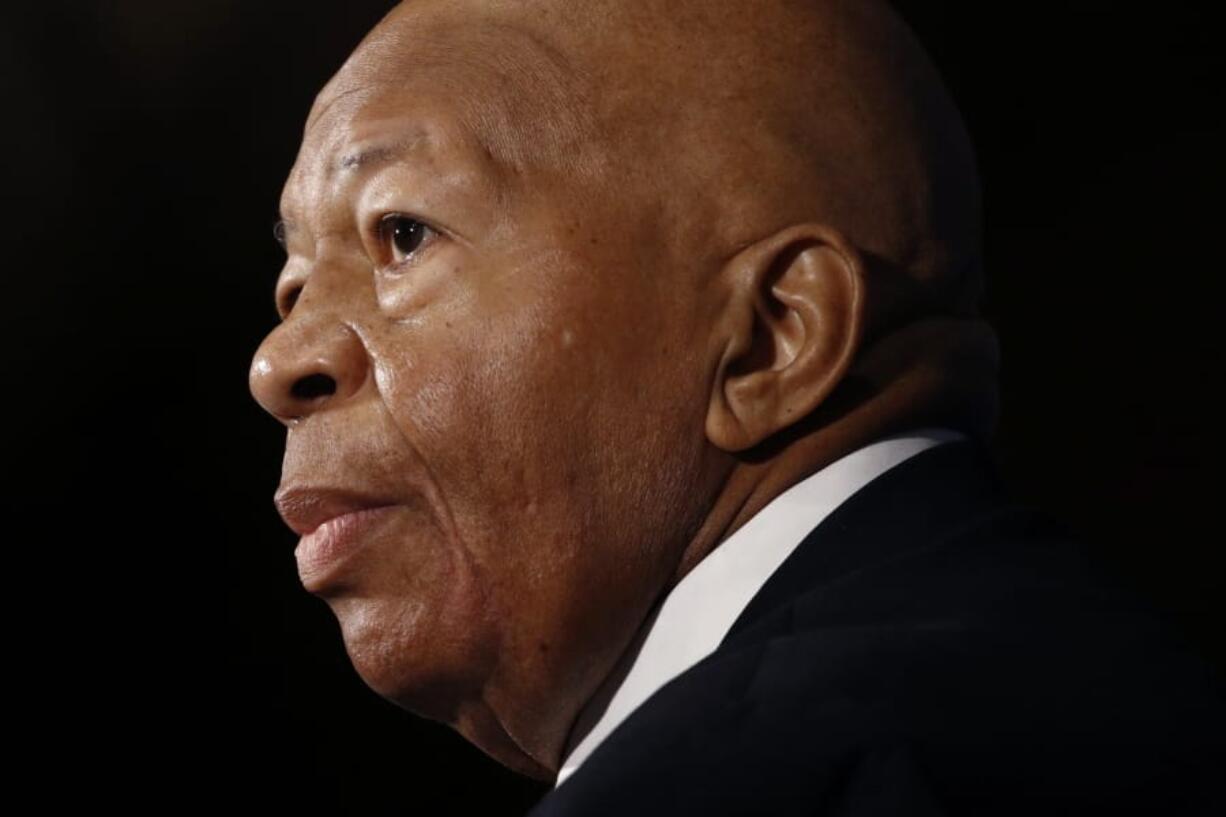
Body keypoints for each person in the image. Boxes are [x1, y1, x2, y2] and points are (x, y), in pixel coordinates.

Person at [247, 0, 1224, 813]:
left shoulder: (777, 774)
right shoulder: (1083, 684)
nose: (277, 360)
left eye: (402, 233)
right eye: (293, 282)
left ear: (770, 337)